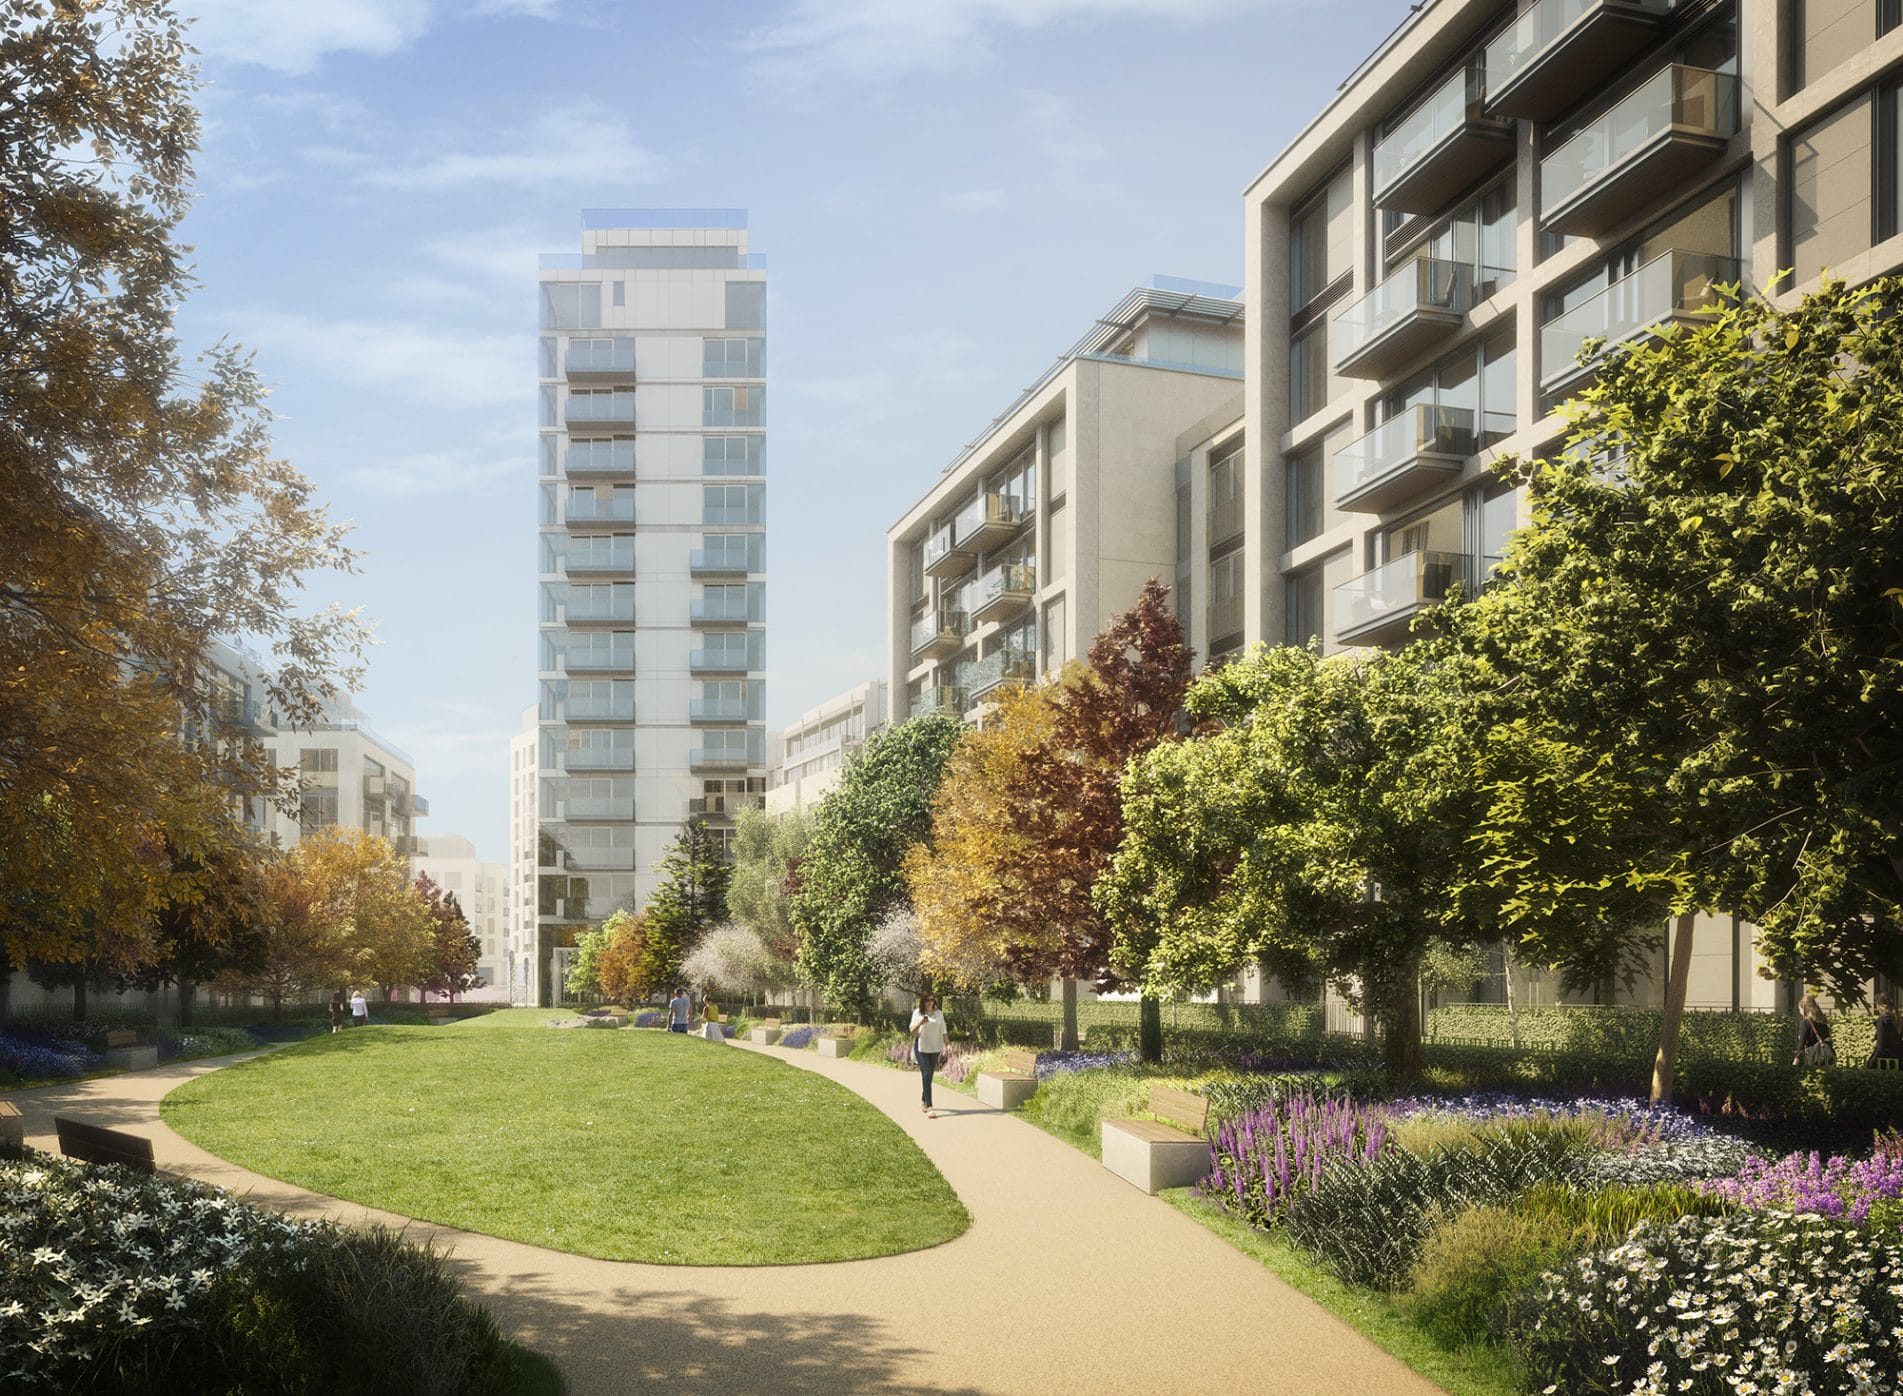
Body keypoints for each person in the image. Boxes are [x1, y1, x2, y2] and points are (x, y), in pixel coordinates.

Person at [909, 992, 947, 1118]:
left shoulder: (939, 1014)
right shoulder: (917, 1013)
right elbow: (912, 1032)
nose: (930, 1002)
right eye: (927, 1000)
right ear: (923, 1002)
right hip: (921, 1047)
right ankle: (930, 1106)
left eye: (932, 1000)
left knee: (929, 1075)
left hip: (935, 1047)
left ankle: (923, 1099)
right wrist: (920, 1023)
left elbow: (943, 1031)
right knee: (925, 1073)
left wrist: (948, 1045)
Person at [1794, 993, 1835, 1068]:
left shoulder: (1805, 1022)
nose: (1800, 1012)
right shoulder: (1822, 1021)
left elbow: (1801, 1045)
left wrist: (1796, 1061)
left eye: (1800, 1009)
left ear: (1804, 1008)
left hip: (1813, 1059)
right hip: (1825, 1059)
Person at [1869, 993, 1903, 1069]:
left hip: (1885, 1062)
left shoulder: (1883, 1020)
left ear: (1880, 1005)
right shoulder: (1899, 1019)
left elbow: (1881, 1047)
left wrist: (1872, 1063)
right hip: (1898, 1060)